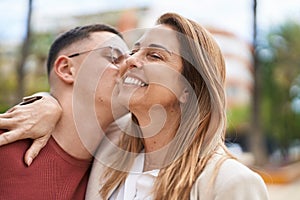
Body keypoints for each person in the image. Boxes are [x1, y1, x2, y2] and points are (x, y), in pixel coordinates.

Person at [0, 13, 269, 200]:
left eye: (153, 55)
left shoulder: (230, 183)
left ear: (187, 89)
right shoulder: (108, 152)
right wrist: (46, 103)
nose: (130, 62)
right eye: (133, 52)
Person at [0, 23, 129, 199]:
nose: (129, 69)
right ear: (66, 69)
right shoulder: (6, 142)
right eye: (113, 58)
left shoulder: (122, 171)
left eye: (130, 61)